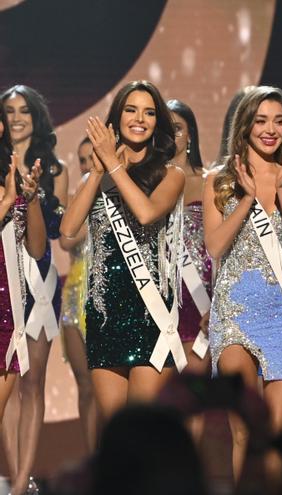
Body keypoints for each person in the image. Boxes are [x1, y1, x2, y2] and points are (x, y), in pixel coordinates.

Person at [204, 86, 282, 479]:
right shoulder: (219, 180)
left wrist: (281, 190)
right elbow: (215, 246)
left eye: (279, 120)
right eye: (261, 120)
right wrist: (250, 197)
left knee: (272, 431)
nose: (270, 129)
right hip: (235, 310)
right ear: (246, 124)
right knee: (242, 426)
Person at [59, 80, 187, 419]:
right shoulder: (98, 176)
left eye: (148, 112)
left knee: (145, 430)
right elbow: (68, 229)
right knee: (116, 433)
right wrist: (98, 171)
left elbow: (145, 213)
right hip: (105, 314)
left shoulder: (171, 174)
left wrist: (114, 168)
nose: (139, 118)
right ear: (117, 118)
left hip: (150, 311)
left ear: (157, 121)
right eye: (131, 110)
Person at [1, 84, 68, 495]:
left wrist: (33, 195)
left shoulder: (54, 169)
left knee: (32, 380)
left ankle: (26, 477)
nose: (17, 117)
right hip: (1, 279)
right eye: (9, 111)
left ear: (36, 116)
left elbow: (51, 236)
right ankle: (14, 475)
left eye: (24, 109)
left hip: (38, 280)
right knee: (6, 379)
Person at [0, 114, 47, 451]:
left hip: (6, 313)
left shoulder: (14, 177)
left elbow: (37, 247)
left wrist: (30, 200)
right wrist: (4, 204)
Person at [57, 137, 98, 453]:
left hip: (105, 295)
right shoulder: (77, 198)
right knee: (85, 386)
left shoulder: (116, 192)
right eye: (82, 160)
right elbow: (67, 241)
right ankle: (94, 455)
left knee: (108, 386)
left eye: (91, 158)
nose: (86, 166)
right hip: (75, 296)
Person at [167, 99, 212, 375]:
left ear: (191, 133)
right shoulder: (148, 184)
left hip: (200, 293)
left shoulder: (210, 181)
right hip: (162, 293)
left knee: (192, 392)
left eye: (177, 128)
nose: (171, 136)